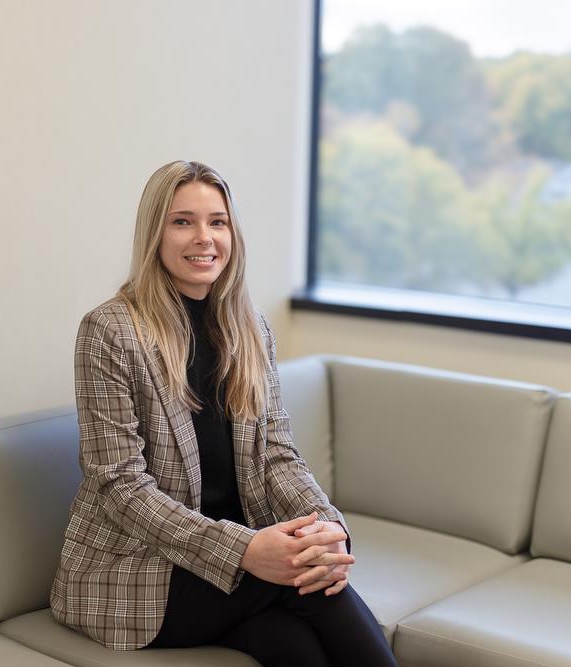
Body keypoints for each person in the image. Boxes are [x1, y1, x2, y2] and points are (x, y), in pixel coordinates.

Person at [50, 160, 396, 667]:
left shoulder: (251, 328)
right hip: (138, 571)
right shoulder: (109, 331)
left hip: (227, 567)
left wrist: (328, 527)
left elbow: (277, 456)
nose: (204, 238)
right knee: (319, 590)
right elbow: (119, 485)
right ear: (155, 233)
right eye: (182, 221)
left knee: (296, 648)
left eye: (218, 221)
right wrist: (245, 550)